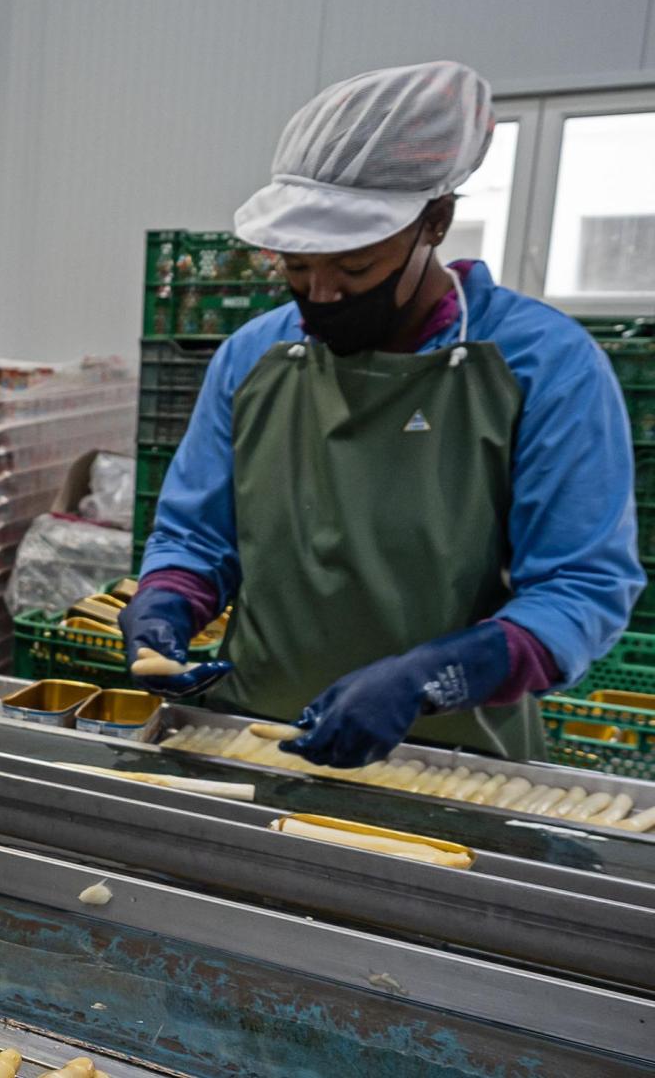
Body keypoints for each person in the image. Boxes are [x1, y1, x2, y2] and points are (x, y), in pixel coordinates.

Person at [125, 61, 643, 769]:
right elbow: (196, 534)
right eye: (299, 269)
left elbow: (581, 587)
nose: (324, 293)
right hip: (250, 741)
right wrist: (168, 601)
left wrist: (434, 675)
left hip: (454, 764)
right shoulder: (254, 357)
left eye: (357, 268)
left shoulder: (542, 366)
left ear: (435, 221)